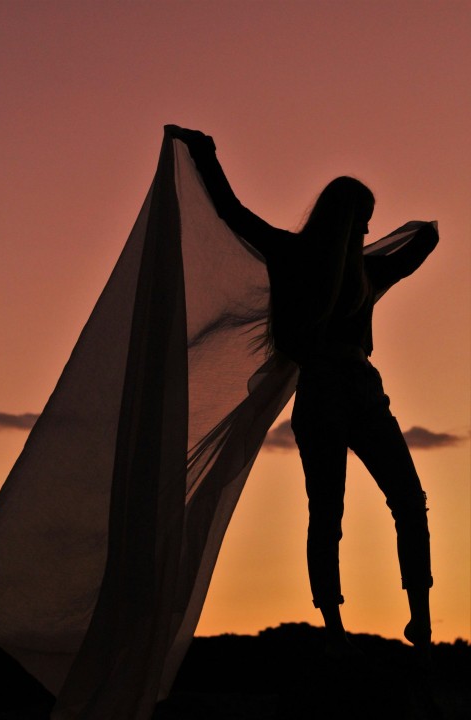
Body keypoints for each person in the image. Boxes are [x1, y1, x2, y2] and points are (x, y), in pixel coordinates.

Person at [169, 126, 437, 659]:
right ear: (347, 220)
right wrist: (204, 154)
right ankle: (378, 621)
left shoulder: (340, 264)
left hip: (339, 397)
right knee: (358, 507)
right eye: (362, 219)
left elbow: (232, 212)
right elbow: (424, 241)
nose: (367, 228)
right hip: (346, 396)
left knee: (363, 506)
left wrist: (205, 153)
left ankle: (398, 619)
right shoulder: (351, 266)